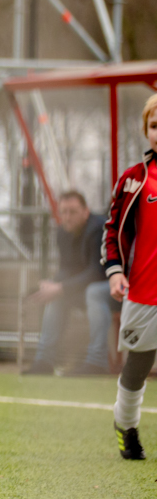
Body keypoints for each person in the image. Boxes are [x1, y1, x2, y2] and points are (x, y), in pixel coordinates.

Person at [101, 93, 157, 461]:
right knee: (137, 366)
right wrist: (115, 271)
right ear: (146, 130)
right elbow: (112, 230)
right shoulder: (134, 179)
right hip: (144, 292)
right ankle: (126, 423)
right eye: (155, 125)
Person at [24, 190, 110, 376]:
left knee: (93, 291)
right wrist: (52, 284)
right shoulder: (63, 231)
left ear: (85, 211)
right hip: (88, 288)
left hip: (119, 287)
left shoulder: (99, 228)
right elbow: (68, 270)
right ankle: (44, 361)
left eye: (73, 211)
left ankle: (97, 363)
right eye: (64, 212)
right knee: (56, 295)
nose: (67, 217)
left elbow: (97, 272)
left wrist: (61, 287)